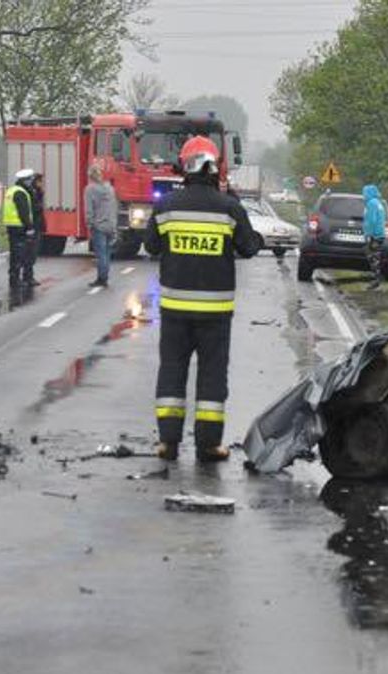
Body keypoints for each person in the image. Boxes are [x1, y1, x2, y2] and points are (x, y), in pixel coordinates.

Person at [144, 135, 257, 463]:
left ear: (184, 168)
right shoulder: (229, 209)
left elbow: (150, 247)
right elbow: (249, 247)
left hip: (175, 310)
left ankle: (168, 442)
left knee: (172, 370)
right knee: (212, 375)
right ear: (215, 168)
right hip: (215, 313)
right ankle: (208, 445)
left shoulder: (165, 207)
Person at [2, 169, 37, 289]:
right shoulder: (21, 193)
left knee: (14, 253)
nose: (31, 182)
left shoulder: (11, 190)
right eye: (30, 180)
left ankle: (14, 278)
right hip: (19, 227)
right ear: (26, 180)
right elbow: (24, 212)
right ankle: (16, 279)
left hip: (11, 227)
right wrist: (30, 227)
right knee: (20, 254)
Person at [84, 164, 117, 287]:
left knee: (100, 253)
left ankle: (101, 278)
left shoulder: (90, 189)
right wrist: (114, 226)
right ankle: (105, 277)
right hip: (110, 224)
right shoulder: (110, 189)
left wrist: (89, 223)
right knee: (107, 253)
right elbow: (114, 207)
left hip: (98, 226)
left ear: (90, 176)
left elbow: (89, 209)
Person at [362, 184, 387, 289]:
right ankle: (376, 279)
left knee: (372, 257)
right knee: (375, 256)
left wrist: (368, 234)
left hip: (374, 235)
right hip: (380, 234)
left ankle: (376, 280)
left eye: (364, 193)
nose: (363, 195)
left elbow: (371, 220)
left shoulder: (371, 203)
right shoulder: (379, 203)